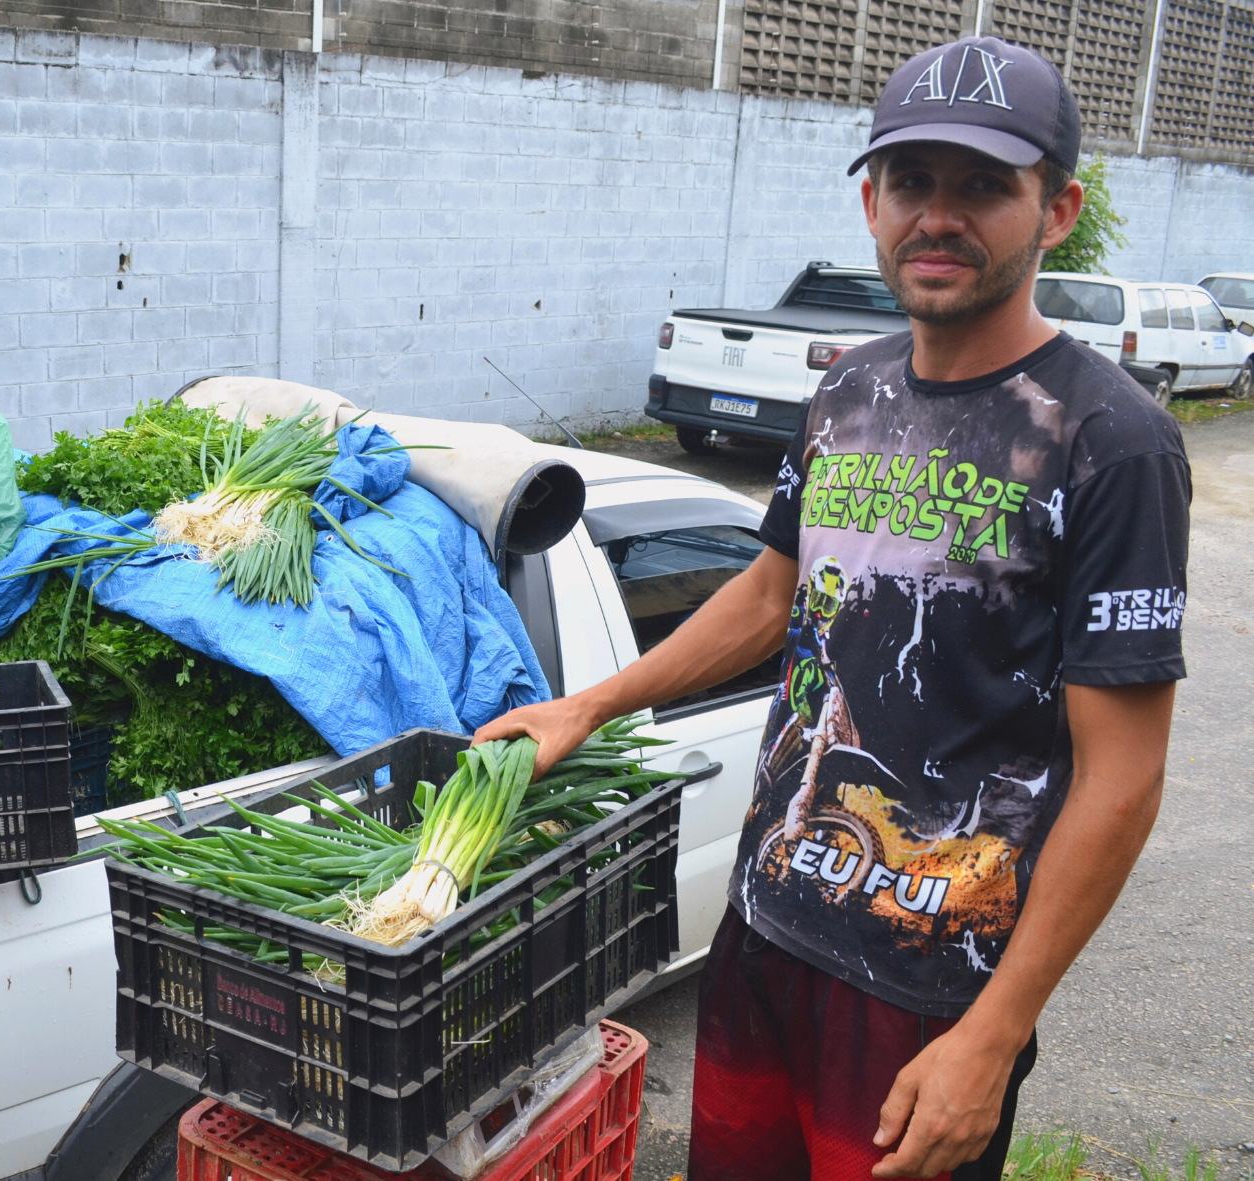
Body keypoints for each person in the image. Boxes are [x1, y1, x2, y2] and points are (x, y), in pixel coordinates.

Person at [476, 36, 1188, 1181]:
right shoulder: (847, 387)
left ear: (1054, 209)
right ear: (869, 202)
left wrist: (990, 1038)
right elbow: (769, 595)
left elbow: (1122, 777)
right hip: (765, 928)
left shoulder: (1110, 442)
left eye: (982, 186)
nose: (937, 216)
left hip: (927, 973)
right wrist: (589, 707)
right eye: (911, 182)